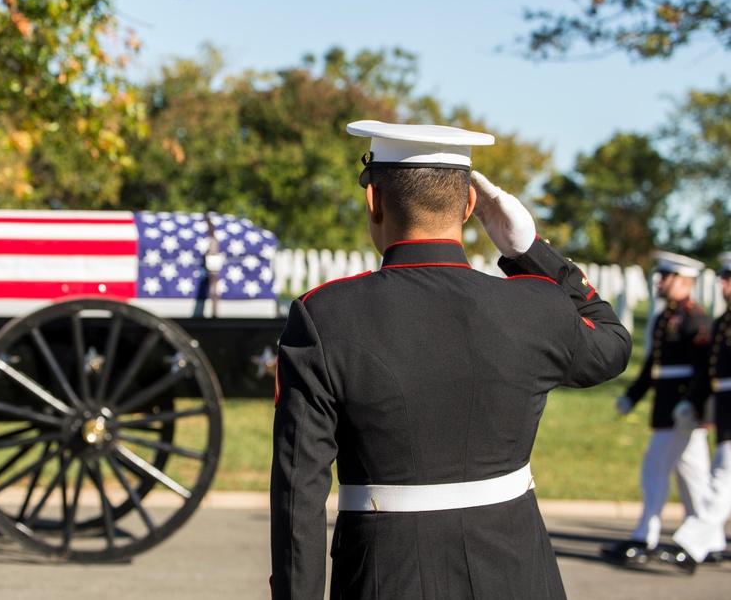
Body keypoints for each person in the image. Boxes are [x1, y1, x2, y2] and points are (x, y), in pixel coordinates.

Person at [269, 120, 632, 599]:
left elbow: (300, 489)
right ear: (467, 207)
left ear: (373, 201)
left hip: (387, 575)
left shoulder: (325, 316)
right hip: (520, 576)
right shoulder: (537, 307)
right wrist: (528, 250)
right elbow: (612, 342)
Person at [601, 251, 713, 566]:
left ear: (684, 281)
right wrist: (632, 397)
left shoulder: (695, 318)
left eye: (666, 277)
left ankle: (644, 537)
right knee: (694, 479)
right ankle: (711, 541)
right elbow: (654, 366)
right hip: (670, 408)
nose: (660, 282)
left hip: (682, 410)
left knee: (655, 471)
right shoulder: (666, 318)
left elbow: (704, 370)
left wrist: (691, 404)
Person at [659, 251, 731, 572]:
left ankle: (693, 541)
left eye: (728, 278)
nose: (722, 283)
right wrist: (694, 401)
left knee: (723, 478)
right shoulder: (723, 321)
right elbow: (713, 371)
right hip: (726, 403)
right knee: (722, 476)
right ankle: (707, 542)